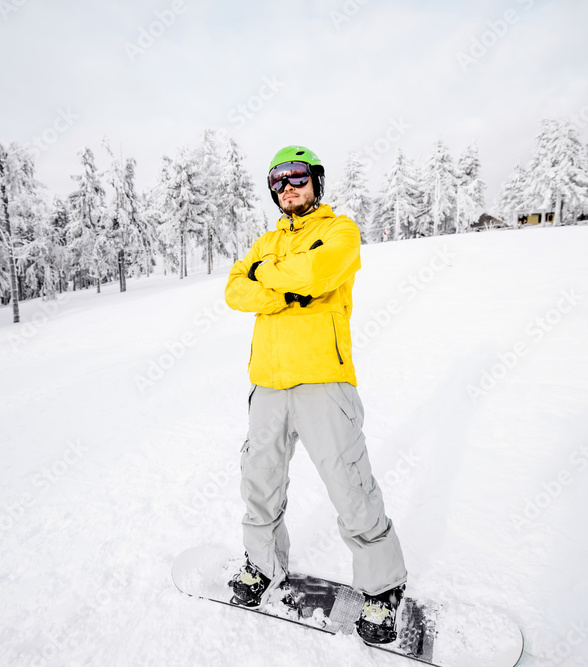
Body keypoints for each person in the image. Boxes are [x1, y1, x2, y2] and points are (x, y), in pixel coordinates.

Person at [224, 145, 408, 644]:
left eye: (297, 177)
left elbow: (319, 272)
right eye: (278, 182)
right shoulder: (265, 240)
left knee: (349, 481)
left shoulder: (340, 231)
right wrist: (285, 284)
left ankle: (382, 588)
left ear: (316, 181)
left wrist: (275, 280)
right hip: (267, 382)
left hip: (323, 380)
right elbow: (235, 290)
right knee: (258, 480)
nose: (288, 187)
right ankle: (261, 565)